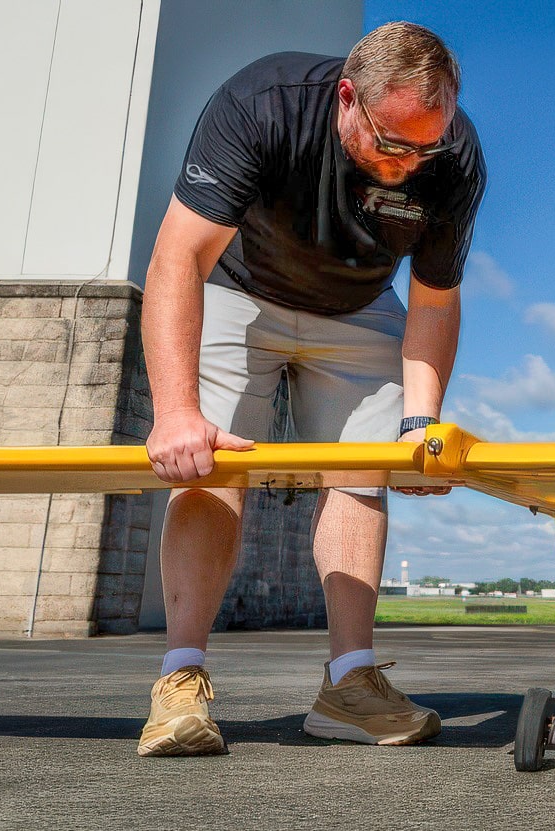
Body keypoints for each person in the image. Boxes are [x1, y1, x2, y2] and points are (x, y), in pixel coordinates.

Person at [137, 22, 487, 756]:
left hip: (361, 309)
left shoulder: (450, 156)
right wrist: (175, 414)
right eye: (392, 145)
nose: (406, 166)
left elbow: (433, 301)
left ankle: (350, 687)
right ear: (347, 98)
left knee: (366, 466)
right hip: (240, 291)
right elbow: (178, 257)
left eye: (425, 148)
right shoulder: (264, 104)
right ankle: (180, 683)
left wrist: (422, 423)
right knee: (210, 464)